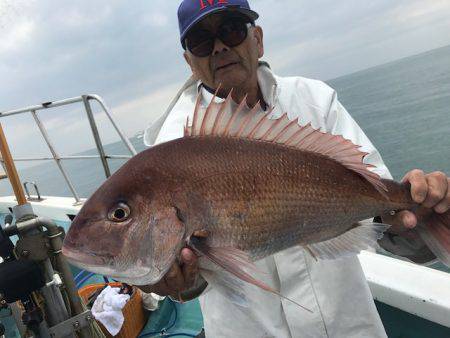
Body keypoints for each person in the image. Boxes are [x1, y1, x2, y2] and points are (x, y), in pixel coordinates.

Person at [141, 1, 450, 337]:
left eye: (231, 28)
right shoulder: (171, 146)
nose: (219, 46)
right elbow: (191, 276)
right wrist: (180, 283)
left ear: (257, 39)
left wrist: (414, 213)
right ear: (189, 61)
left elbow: (381, 218)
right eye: (201, 39)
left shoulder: (315, 101)